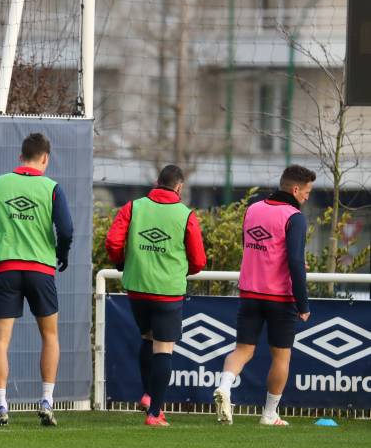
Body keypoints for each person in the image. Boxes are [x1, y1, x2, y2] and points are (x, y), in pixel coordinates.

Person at [0, 133, 73, 427]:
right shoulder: (52, 188)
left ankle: (2, 404)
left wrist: (4, 234)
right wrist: (61, 252)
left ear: (20, 156)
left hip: (6, 269)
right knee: (50, 336)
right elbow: (65, 230)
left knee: (1, 341)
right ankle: (46, 401)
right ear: (45, 159)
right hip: (41, 269)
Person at [213, 165, 316, 427]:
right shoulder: (295, 217)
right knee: (281, 357)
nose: (307, 197)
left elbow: (256, 247)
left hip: (249, 292)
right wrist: (303, 303)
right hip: (279, 297)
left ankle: (225, 386)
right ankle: (269, 415)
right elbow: (294, 259)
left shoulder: (253, 209)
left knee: (242, 350)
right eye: (306, 192)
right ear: (295, 189)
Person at [105, 165, 206, 427]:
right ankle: (155, 413)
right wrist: (182, 270)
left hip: (137, 288)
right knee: (164, 348)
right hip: (168, 291)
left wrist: (121, 263)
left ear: (156, 182)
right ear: (179, 187)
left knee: (147, 338)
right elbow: (198, 260)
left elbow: (113, 242)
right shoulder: (185, 214)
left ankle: (149, 395)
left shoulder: (133, 207)